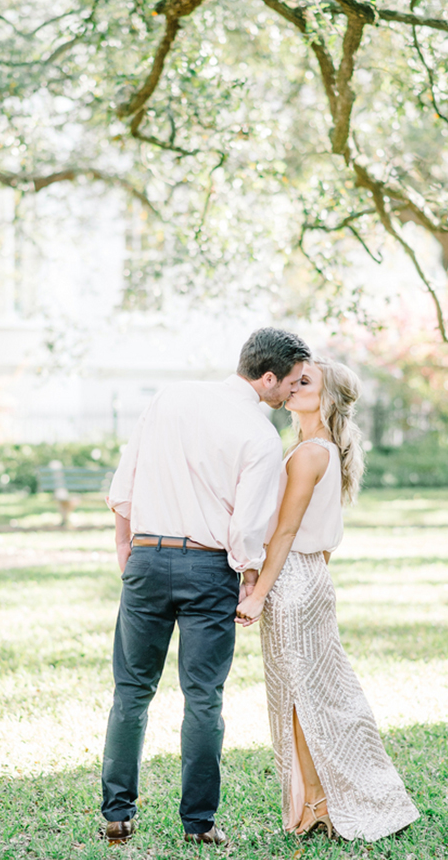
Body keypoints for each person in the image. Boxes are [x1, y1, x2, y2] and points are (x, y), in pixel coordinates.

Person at [100, 328, 312, 846]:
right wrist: (250, 572)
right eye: (291, 382)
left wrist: (125, 544)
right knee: (203, 699)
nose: (292, 392)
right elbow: (246, 527)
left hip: (148, 558)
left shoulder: (172, 396)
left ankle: (117, 813)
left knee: (131, 692)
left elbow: (126, 477)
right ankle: (198, 823)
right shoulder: (261, 436)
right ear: (267, 378)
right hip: (209, 568)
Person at [235, 357, 420, 842]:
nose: (293, 387)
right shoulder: (317, 449)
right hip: (309, 576)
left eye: (305, 382)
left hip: (291, 578)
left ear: (328, 398)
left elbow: (287, 530)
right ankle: (321, 801)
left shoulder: (308, 454)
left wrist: (259, 594)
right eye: (292, 380)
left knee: (308, 700)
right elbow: (323, 540)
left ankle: (326, 802)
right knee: (312, 697)